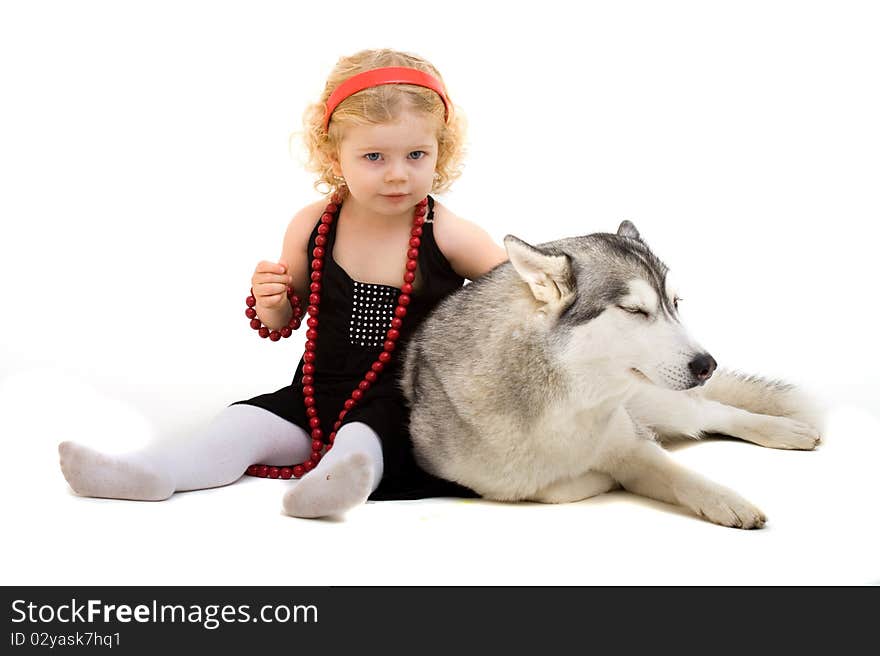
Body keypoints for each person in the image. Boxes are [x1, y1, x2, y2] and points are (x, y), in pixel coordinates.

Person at [58, 48, 507, 518]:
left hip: (406, 405)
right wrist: (270, 300)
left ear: (442, 150)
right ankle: (155, 471)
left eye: (417, 154)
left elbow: (523, 298)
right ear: (334, 156)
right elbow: (285, 317)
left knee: (365, 435)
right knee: (242, 423)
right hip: (314, 397)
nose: (398, 174)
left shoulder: (450, 234)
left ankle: (340, 480)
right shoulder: (313, 225)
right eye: (374, 156)